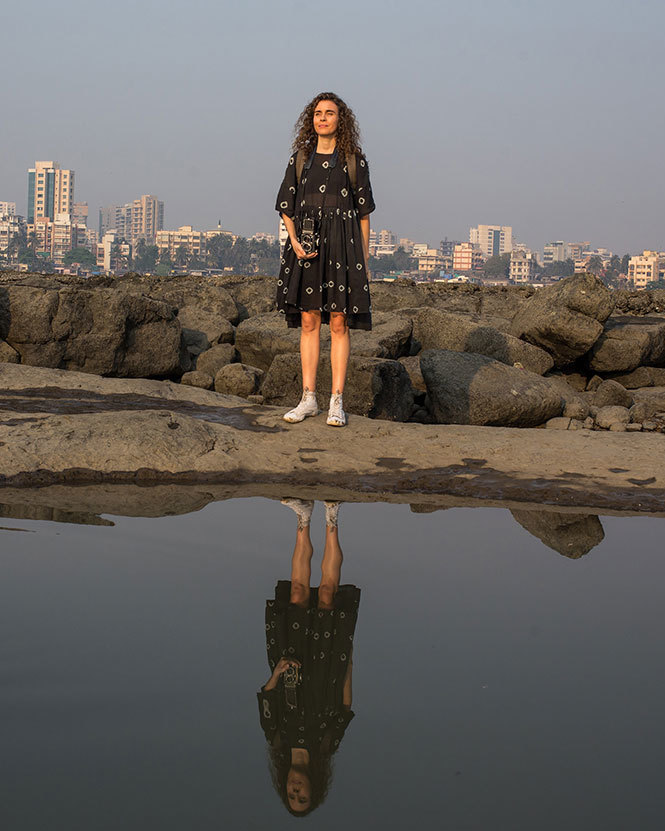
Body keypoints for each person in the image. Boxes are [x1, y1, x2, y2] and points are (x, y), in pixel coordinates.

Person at [275, 93, 376, 427]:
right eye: (317, 113)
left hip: (343, 248)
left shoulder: (354, 160)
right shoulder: (300, 158)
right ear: (311, 119)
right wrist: (293, 241)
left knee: (338, 322)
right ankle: (307, 399)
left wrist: (364, 260)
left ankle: (336, 401)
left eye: (329, 113)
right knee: (308, 321)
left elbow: (363, 215)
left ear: (340, 120)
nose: (322, 118)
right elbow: (285, 205)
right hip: (306, 248)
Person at [257, 499, 360, 816]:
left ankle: (303, 518)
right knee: (328, 592)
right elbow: (345, 704)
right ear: (314, 788)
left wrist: (278, 671)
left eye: (290, 795)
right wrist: (347, 657)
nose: (295, 791)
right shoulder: (328, 743)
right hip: (328, 658)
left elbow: (267, 693)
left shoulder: (276, 738)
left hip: (290, 655)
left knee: (299, 591)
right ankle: (332, 517)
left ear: (284, 786)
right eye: (302, 797)